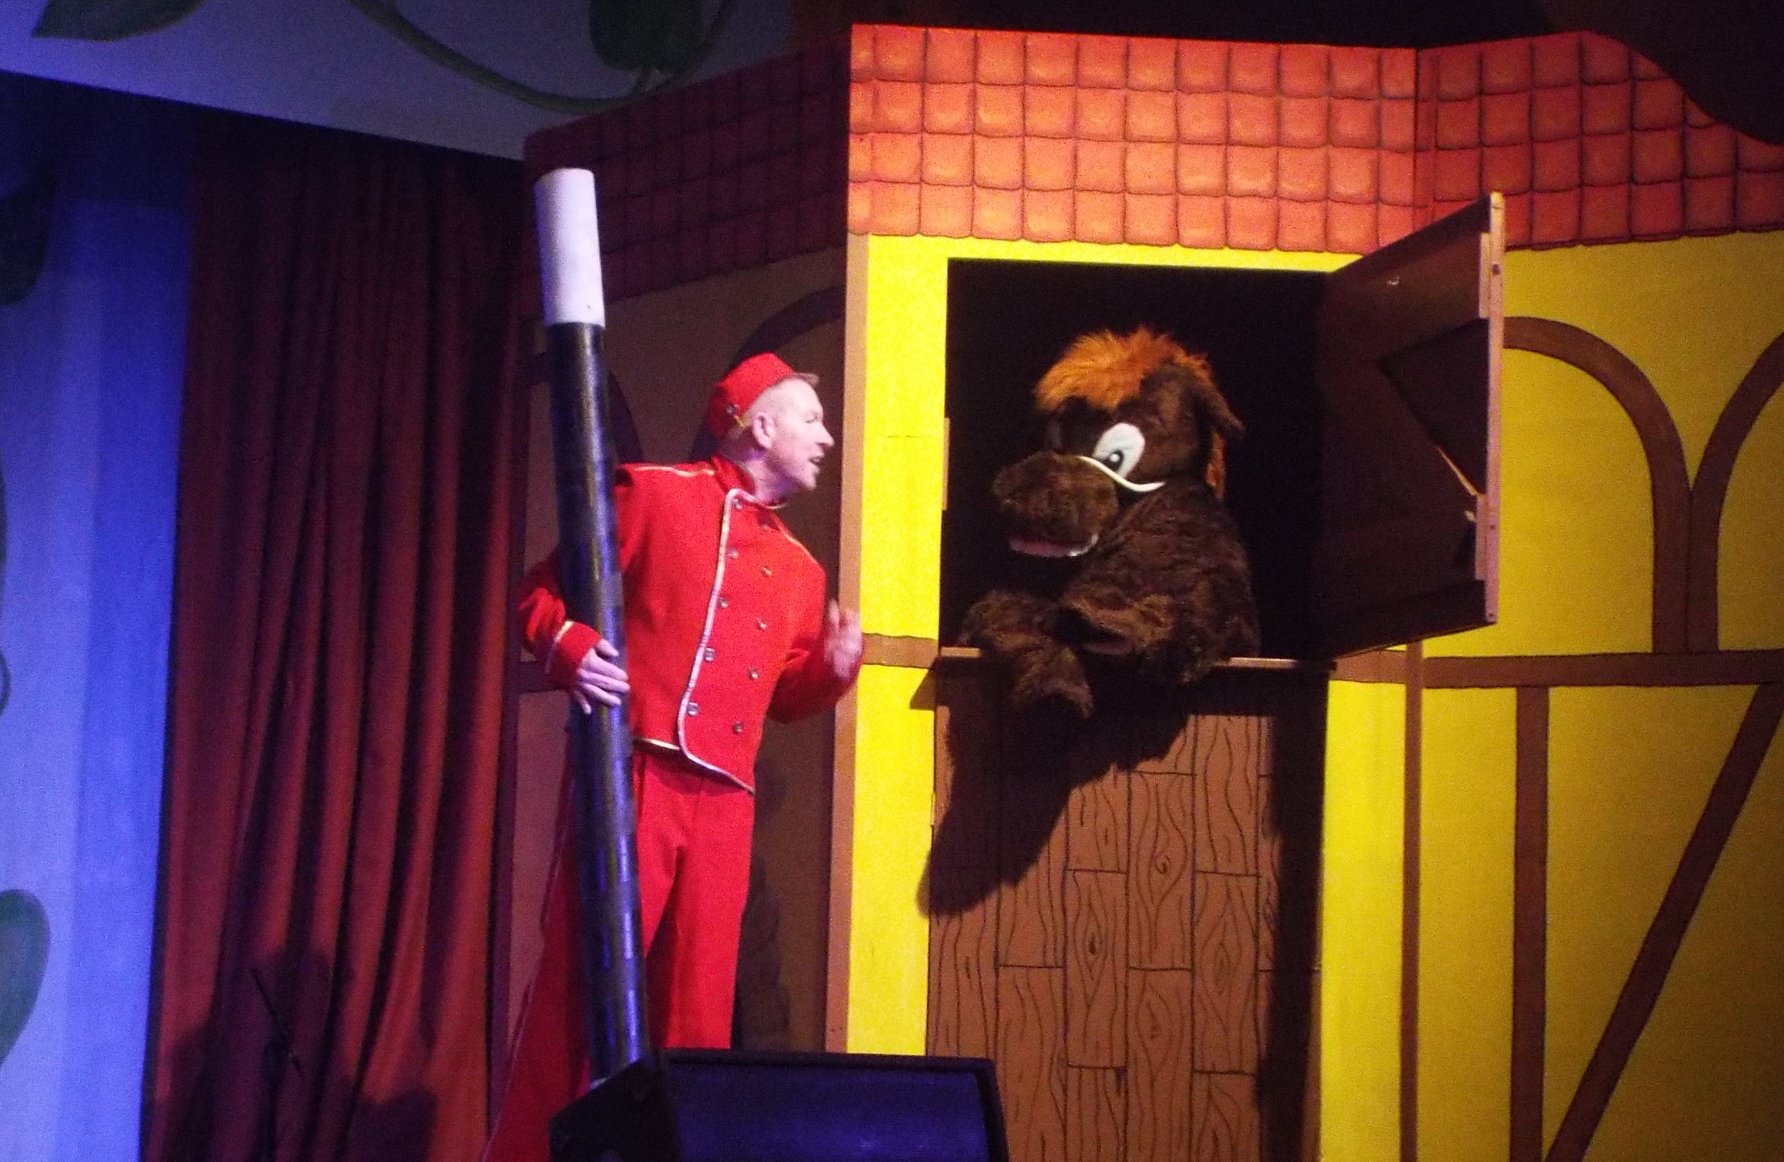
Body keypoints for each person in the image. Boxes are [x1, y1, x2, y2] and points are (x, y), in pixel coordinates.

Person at [484, 352, 862, 1161]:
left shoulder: (803, 570)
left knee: (698, 1012)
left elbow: (787, 697)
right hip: (638, 774)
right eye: (811, 420)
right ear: (760, 425)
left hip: (724, 805)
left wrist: (833, 670)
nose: (826, 438)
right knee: (582, 987)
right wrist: (568, 646)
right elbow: (539, 592)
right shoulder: (654, 494)